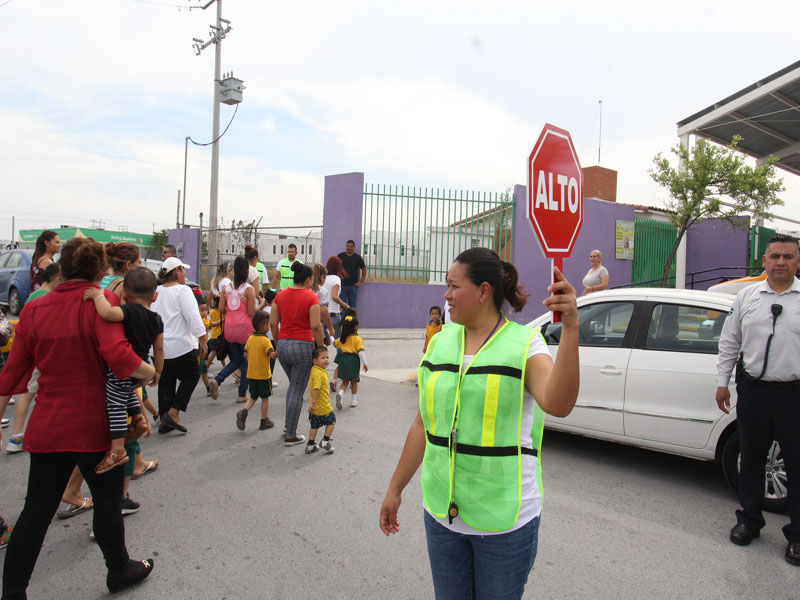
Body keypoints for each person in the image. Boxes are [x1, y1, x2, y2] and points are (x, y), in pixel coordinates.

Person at [379, 247, 579, 600]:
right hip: (443, 517)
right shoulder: (439, 343)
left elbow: (559, 404)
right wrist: (395, 489)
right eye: (446, 285)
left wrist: (572, 330)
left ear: (484, 291)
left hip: (505, 523)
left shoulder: (525, 344)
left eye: (454, 286)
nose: (446, 295)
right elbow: (423, 425)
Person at [0, 237, 156, 597]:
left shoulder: (34, 310)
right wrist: (150, 373)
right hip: (96, 425)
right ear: (100, 270)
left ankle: (13, 592)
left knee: (35, 512)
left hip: (50, 423)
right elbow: (119, 357)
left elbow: (12, 376)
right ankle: (118, 569)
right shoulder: (100, 306)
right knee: (107, 501)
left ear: (62, 268)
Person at [716, 233, 800, 566]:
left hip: (793, 394)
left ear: (798, 261)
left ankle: (796, 536)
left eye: (788, 257)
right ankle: (749, 520)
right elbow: (729, 342)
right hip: (753, 391)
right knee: (751, 459)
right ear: (763, 261)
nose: (781, 262)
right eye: (775, 256)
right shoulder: (747, 297)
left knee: (796, 465)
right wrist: (722, 383)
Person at [83, 267, 163, 473]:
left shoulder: (128, 311)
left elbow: (107, 313)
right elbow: (160, 348)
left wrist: (98, 295)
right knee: (128, 394)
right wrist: (158, 372)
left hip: (125, 368)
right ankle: (139, 419)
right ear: (155, 296)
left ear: (125, 294)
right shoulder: (156, 319)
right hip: (141, 370)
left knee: (115, 404)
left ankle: (117, 449)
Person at [3, 264, 61, 453]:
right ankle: (17, 436)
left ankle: (17, 436)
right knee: (29, 394)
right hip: (40, 352)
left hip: (29, 349)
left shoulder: (34, 296)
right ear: (56, 277)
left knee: (26, 394)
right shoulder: (47, 298)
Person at [270, 261, 324, 445]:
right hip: (303, 347)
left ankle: (288, 425)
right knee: (296, 389)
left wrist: (278, 343)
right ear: (308, 279)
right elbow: (316, 326)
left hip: (284, 346)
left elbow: (272, 323)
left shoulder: (280, 296)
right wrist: (321, 347)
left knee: (294, 386)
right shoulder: (311, 298)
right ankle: (291, 434)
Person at [152, 256, 208, 433]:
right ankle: (174, 412)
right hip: (181, 345)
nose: (185, 273)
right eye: (183, 269)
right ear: (176, 271)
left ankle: (165, 419)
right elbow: (193, 316)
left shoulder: (157, 291)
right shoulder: (183, 291)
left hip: (160, 346)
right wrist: (203, 339)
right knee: (191, 376)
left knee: (166, 381)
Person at [208, 256, 257, 403]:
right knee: (246, 362)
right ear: (247, 271)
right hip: (245, 331)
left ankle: (218, 379)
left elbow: (221, 309)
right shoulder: (249, 289)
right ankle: (242, 394)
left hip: (229, 329)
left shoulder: (226, 288)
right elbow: (251, 312)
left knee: (235, 361)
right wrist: (260, 307)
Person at [237, 311, 276, 431]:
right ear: (265, 326)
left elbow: (245, 354)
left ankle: (244, 411)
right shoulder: (266, 340)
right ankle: (264, 421)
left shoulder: (250, 339)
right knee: (265, 398)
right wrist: (279, 351)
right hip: (264, 375)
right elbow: (272, 355)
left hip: (251, 374)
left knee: (253, 396)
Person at [305, 346, 335, 455]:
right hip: (322, 406)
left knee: (314, 425)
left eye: (327, 357)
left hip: (315, 408)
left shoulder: (315, 369)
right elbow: (316, 388)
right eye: (323, 358)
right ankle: (325, 441)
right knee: (332, 421)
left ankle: (310, 445)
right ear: (315, 361)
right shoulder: (319, 373)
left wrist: (312, 405)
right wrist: (313, 403)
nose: (326, 360)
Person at [333, 315, 368, 409]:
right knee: (354, 382)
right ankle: (353, 400)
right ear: (355, 328)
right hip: (353, 361)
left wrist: (330, 336)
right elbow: (360, 352)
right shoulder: (357, 339)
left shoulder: (342, 338)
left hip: (343, 360)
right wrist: (365, 364)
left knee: (345, 382)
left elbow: (334, 343)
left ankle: (340, 393)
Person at [323, 256, 349, 339]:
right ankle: (339, 352)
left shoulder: (323, 278)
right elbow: (334, 296)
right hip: (333, 314)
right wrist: (344, 305)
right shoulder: (336, 279)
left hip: (323, 312)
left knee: (321, 339)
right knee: (339, 341)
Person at [337, 240, 366, 308]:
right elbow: (335, 267)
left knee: (352, 307)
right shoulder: (340, 256)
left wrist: (362, 282)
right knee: (341, 306)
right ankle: (343, 319)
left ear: (354, 247)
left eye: (351, 246)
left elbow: (364, 269)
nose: (349, 248)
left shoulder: (358, 258)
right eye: (348, 246)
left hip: (353, 286)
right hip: (342, 286)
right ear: (346, 246)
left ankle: (352, 319)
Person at [311, 263, 335, 345]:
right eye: (325, 278)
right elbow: (324, 311)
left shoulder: (305, 289)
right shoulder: (321, 291)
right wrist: (331, 328)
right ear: (321, 277)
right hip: (317, 331)